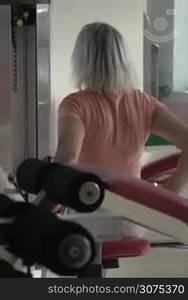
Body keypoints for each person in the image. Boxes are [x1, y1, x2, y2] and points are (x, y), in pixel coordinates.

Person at [54, 22, 188, 236]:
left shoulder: (75, 105)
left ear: (82, 61)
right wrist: (172, 189)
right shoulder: (144, 103)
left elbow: (65, 160)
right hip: (134, 219)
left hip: (90, 214)